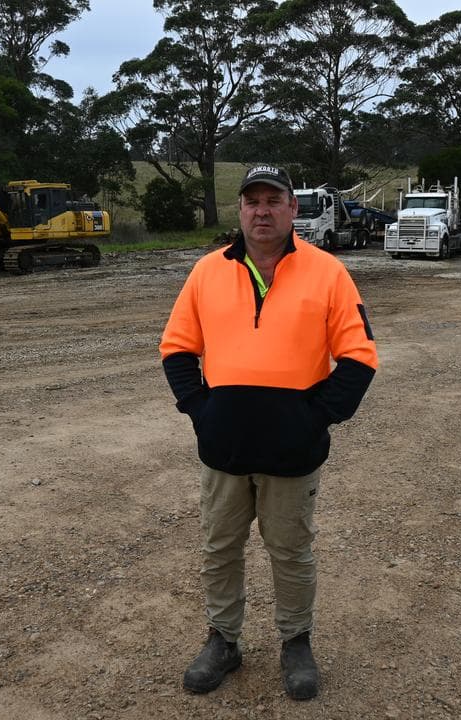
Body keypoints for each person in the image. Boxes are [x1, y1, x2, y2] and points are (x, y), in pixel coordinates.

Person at [159, 165, 379, 700]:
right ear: (240, 210)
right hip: (223, 446)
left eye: (273, 200)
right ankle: (223, 640)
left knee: (291, 550)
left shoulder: (328, 273)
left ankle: (296, 643)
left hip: (293, 449)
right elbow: (177, 349)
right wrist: (202, 411)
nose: (262, 210)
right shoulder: (207, 272)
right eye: (252, 201)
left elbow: (359, 357)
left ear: (293, 208)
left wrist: (314, 416)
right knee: (220, 547)